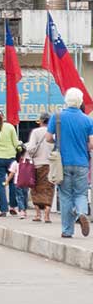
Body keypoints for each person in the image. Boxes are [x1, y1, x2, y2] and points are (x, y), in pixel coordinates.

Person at [46, 88, 93, 238]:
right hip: (82, 162)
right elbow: (91, 144)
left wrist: (58, 141)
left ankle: (67, 230)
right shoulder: (87, 120)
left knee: (65, 195)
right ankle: (81, 212)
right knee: (80, 193)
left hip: (62, 162)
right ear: (80, 102)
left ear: (66, 100)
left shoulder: (57, 117)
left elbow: (48, 138)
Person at [26, 112, 54, 223]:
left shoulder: (36, 132)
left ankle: (38, 214)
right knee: (48, 188)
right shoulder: (53, 132)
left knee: (35, 188)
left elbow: (31, 148)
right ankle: (47, 215)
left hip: (37, 164)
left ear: (41, 121)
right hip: (51, 164)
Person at [6, 152, 28, 219]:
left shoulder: (15, 163)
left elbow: (12, 173)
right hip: (26, 182)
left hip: (17, 183)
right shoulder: (28, 163)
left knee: (19, 197)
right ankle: (24, 210)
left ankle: (22, 210)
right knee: (25, 196)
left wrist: (7, 181)